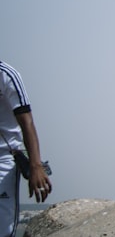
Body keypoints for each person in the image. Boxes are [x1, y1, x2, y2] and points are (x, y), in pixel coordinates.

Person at [1, 60, 52, 237]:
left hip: (3, 161)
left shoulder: (6, 75)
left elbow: (27, 121)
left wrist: (36, 166)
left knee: (3, 229)